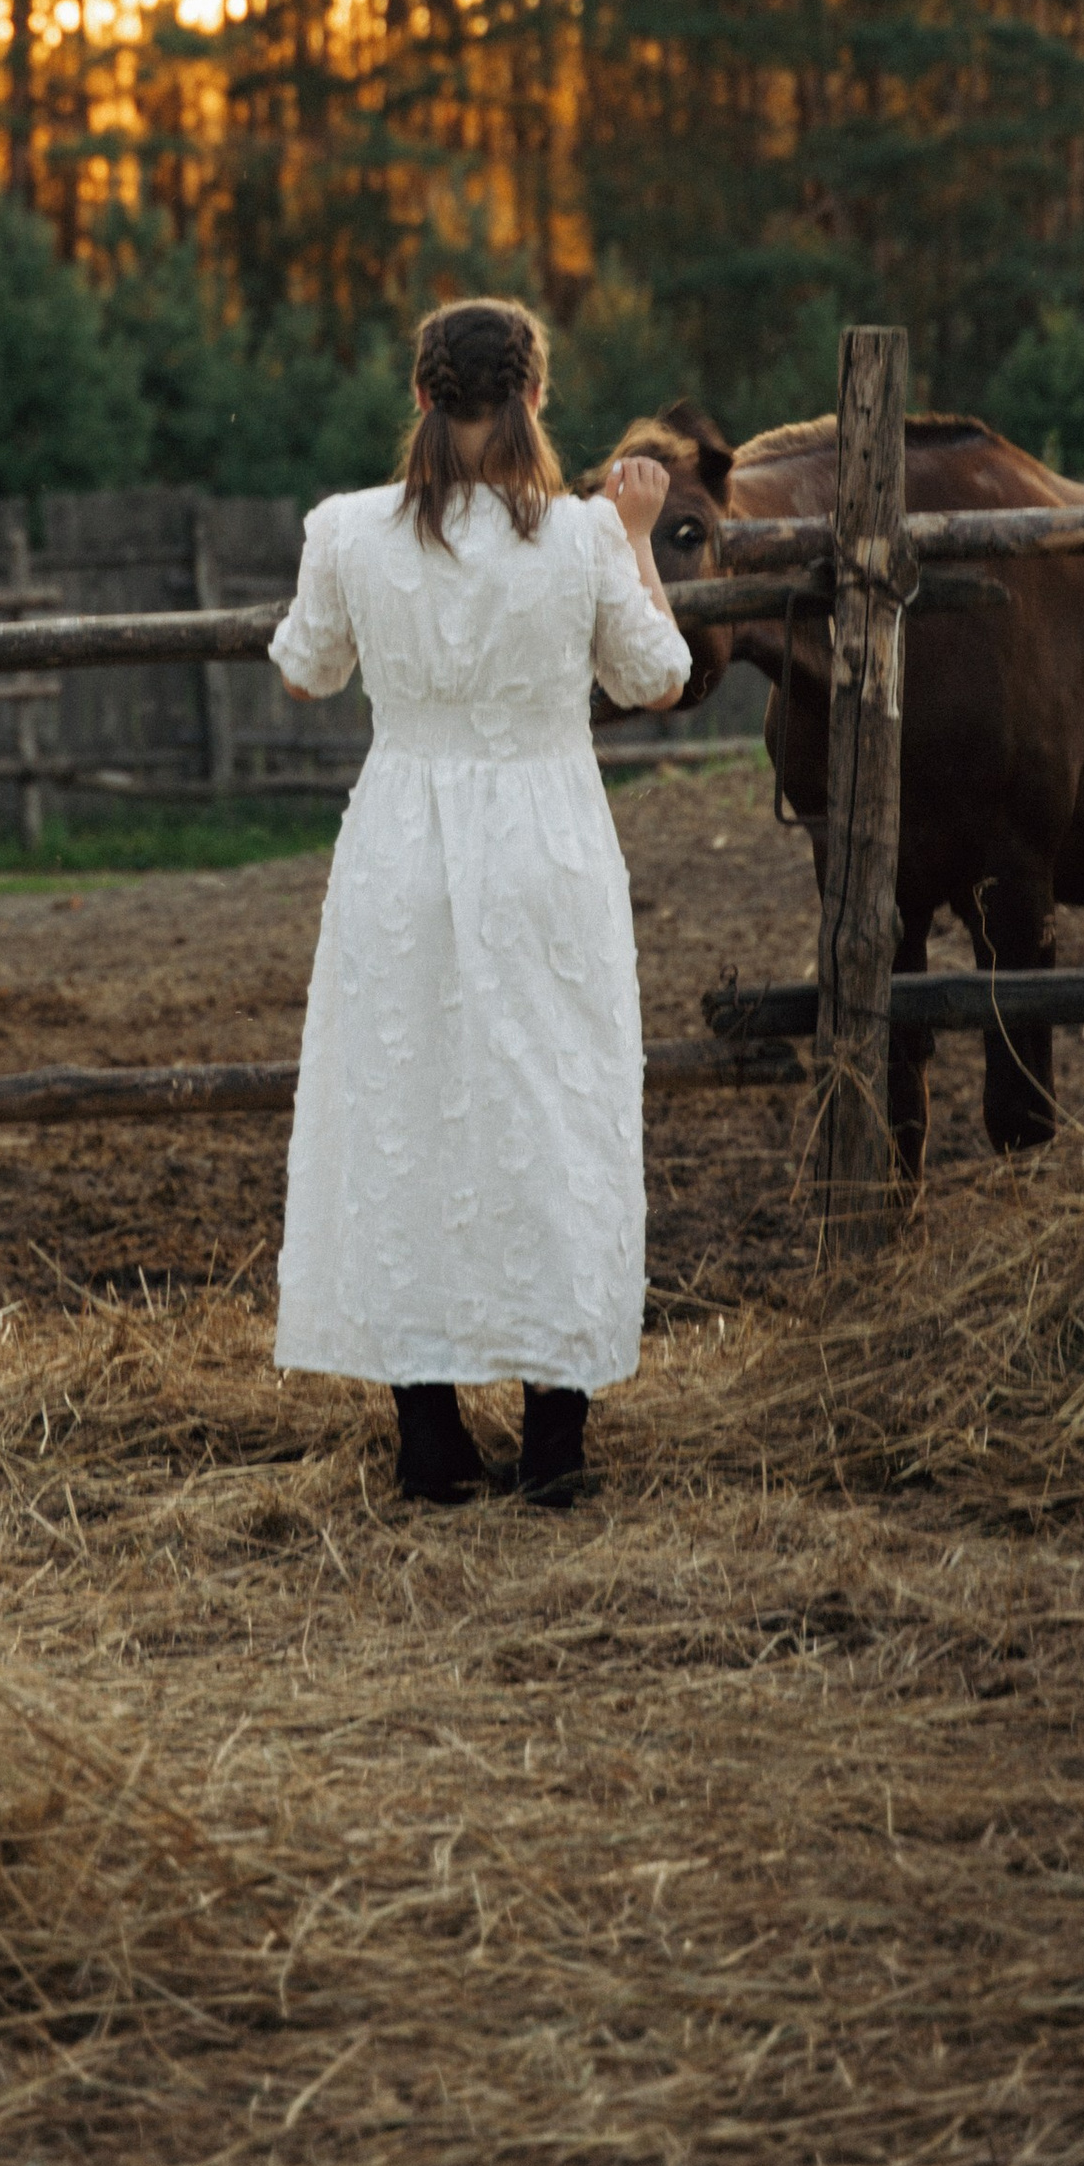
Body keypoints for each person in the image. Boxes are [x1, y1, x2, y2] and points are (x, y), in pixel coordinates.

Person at [268, 296, 689, 1509]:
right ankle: (555, 1444)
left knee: (408, 1109)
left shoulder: (347, 530)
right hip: (546, 843)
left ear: (420, 397)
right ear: (535, 398)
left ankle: (430, 1442)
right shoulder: (583, 537)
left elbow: (304, 671)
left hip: (403, 839)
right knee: (553, 1111)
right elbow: (656, 679)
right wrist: (642, 532)